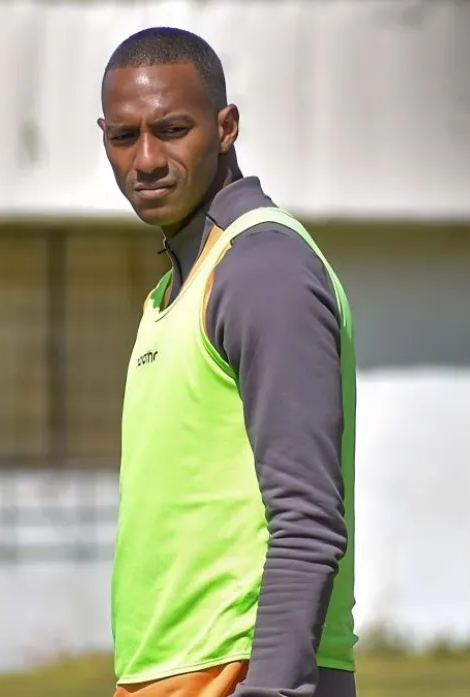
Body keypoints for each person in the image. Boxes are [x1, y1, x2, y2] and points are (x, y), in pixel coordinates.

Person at [99, 26, 358, 697]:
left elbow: (307, 520)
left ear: (225, 128)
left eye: (171, 129)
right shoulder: (172, 289)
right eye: (123, 136)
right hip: (166, 674)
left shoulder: (261, 268)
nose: (146, 159)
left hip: (242, 673)